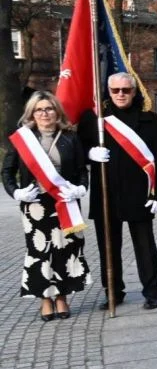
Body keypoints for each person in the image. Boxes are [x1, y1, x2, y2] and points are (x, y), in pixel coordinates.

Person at [80, 72, 157, 310]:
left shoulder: (150, 120)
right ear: (108, 92)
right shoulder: (95, 119)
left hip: (139, 193)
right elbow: (76, 150)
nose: (120, 94)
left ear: (134, 91)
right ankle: (113, 292)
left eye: (126, 90)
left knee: (145, 247)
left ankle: (151, 291)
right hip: (106, 194)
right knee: (108, 247)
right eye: (115, 90)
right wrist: (89, 153)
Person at [3, 92, 90, 321]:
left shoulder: (70, 137)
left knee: (64, 250)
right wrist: (16, 192)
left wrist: (81, 189)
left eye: (49, 108)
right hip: (35, 205)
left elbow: (82, 170)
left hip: (65, 201)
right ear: (31, 114)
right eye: (39, 109)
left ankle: (61, 297)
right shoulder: (22, 139)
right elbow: (7, 171)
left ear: (57, 111)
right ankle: (45, 298)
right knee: (39, 251)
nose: (45, 113)